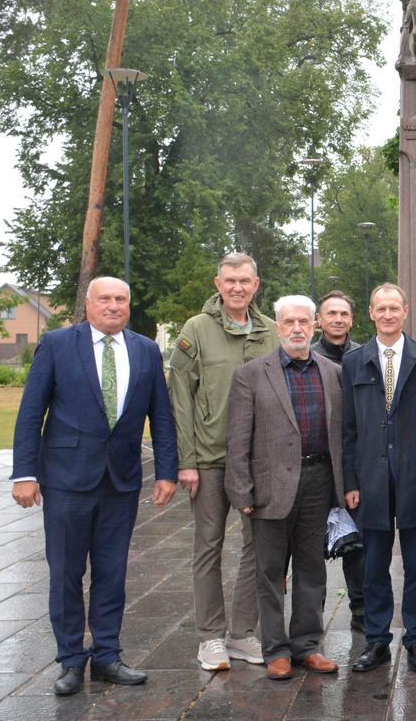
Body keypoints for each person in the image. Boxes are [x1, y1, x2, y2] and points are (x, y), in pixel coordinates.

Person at [11, 276, 178, 696]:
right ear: (88, 304)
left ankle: (106, 655)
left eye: (121, 299)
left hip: (119, 481)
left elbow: (161, 416)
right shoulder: (57, 344)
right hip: (66, 478)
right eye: (105, 298)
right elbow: (32, 412)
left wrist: (166, 471)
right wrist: (24, 473)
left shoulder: (145, 349)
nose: (113, 306)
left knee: (112, 572)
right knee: (66, 573)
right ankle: (70, 659)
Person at [225, 295, 344, 680]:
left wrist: (342, 490)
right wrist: (241, 491)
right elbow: (238, 438)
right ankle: (275, 648)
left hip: (318, 483)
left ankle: (307, 645)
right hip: (269, 488)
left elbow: (340, 435)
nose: (297, 328)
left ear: (315, 326)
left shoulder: (332, 372)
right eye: (289, 322)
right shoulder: (251, 375)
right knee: (269, 571)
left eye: (304, 322)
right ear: (277, 327)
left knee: (313, 570)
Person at [169, 252, 276, 671]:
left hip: (257, 462)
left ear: (256, 285)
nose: (236, 287)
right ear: (218, 283)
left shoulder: (270, 332)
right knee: (208, 546)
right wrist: (187, 459)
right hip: (211, 460)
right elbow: (181, 397)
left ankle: (242, 634)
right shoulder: (196, 330)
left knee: (259, 548)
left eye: (244, 281)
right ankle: (210, 637)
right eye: (229, 280)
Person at [343, 284, 416, 675]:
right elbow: (347, 429)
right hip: (371, 479)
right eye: (380, 308)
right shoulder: (353, 362)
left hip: (414, 478)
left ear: (406, 310)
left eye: (393, 308)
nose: (386, 314)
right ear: (370, 313)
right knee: (374, 566)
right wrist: (350, 481)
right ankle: (377, 641)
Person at [310, 290, 365, 632]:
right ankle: (312, 612)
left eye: (344, 314)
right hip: (317, 458)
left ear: (352, 319)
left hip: (354, 459)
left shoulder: (362, 355)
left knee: (358, 539)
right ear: (319, 319)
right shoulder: (308, 356)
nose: (338, 319)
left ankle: (360, 607)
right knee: (312, 542)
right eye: (331, 313)